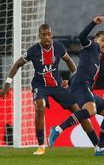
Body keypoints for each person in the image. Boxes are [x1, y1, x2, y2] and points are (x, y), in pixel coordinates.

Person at [0, 24, 98, 155]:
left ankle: (98, 146)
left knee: (80, 112)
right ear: (39, 36)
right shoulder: (33, 51)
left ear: (51, 35)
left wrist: (75, 79)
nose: (47, 37)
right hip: (40, 85)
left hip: (57, 85)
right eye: (44, 35)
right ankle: (41, 146)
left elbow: (69, 61)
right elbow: (17, 64)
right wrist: (7, 83)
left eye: (49, 34)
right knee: (40, 107)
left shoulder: (58, 47)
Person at [48, 16, 104, 156]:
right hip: (81, 86)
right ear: (96, 40)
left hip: (83, 87)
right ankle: (57, 129)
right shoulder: (91, 46)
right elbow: (82, 36)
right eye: (103, 40)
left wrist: (70, 79)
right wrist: (93, 23)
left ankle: (100, 148)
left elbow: (81, 70)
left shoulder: (97, 56)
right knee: (90, 110)